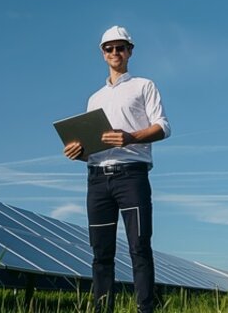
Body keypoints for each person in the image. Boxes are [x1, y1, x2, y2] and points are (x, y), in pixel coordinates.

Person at [64, 25, 170, 313]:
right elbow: (94, 148)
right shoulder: (94, 98)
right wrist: (80, 154)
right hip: (97, 179)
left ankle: (145, 309)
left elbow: (163, 126)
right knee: (101, 254)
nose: (115, 52)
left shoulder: (144, 85)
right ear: (102, 53)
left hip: (131, 175)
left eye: (120, 47)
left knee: (139, 248)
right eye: (109, 48)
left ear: (130, 51)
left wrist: (131, 137)